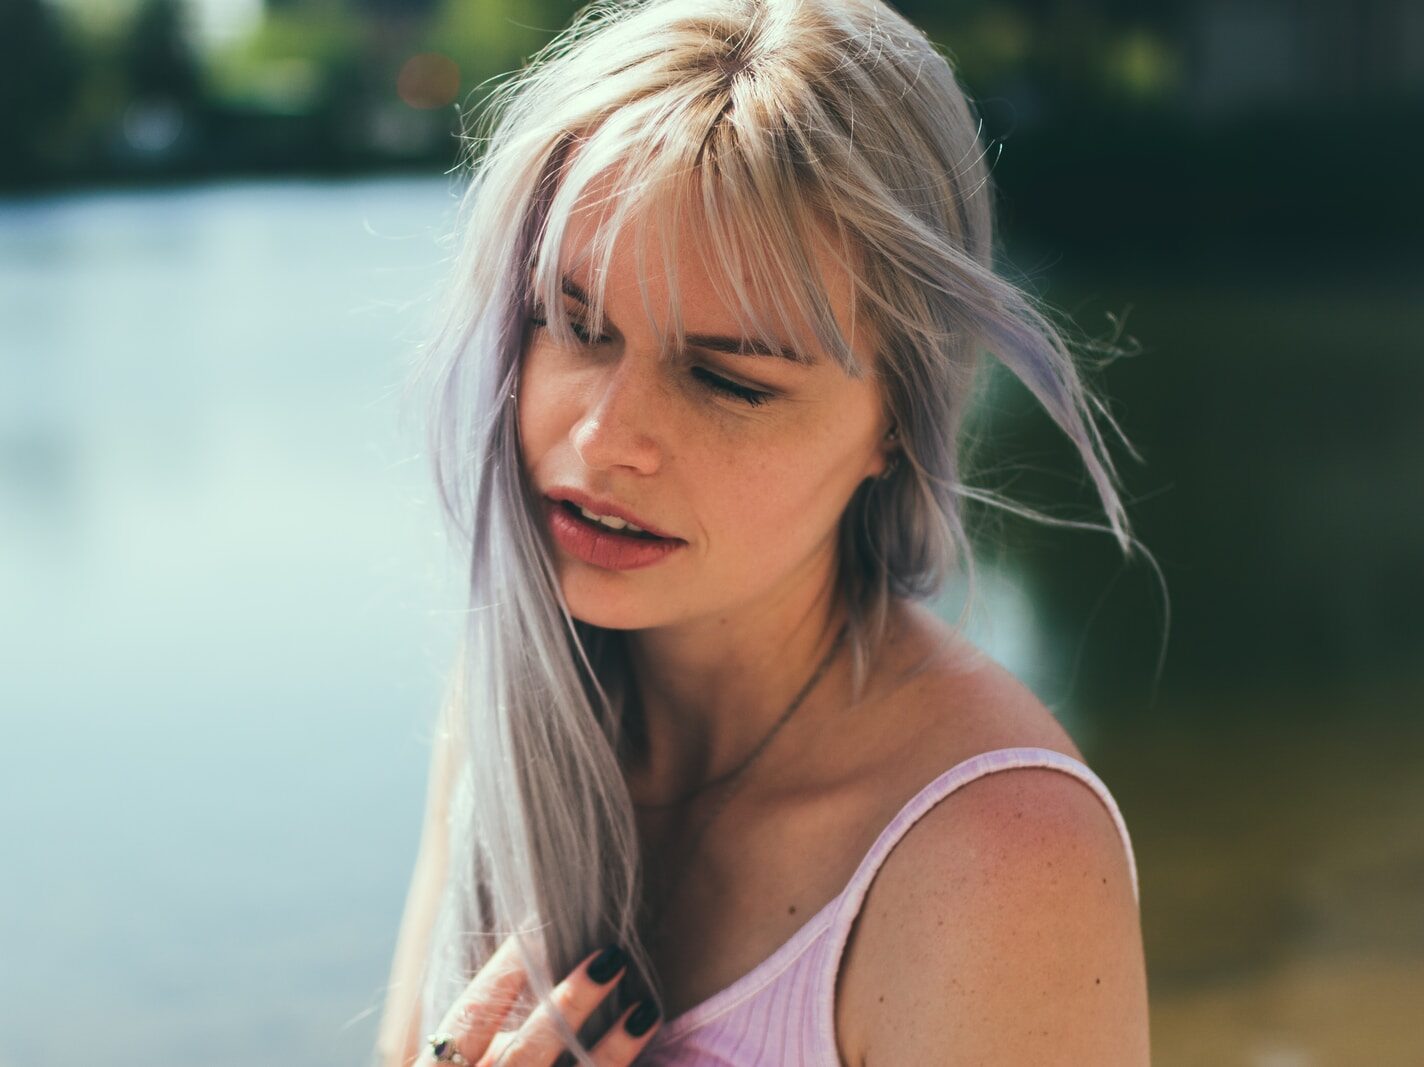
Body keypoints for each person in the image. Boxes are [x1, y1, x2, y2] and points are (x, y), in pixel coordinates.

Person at [376, 0, 1154, 1063]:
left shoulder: (997, 859)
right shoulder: (513, 697)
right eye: (571, 322)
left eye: (726, 380)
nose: (606, 441)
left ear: (896, 422)